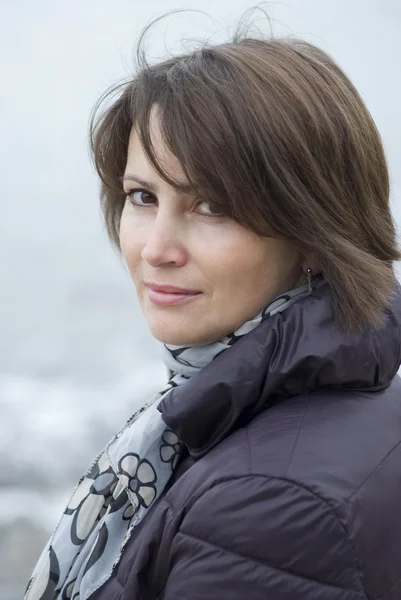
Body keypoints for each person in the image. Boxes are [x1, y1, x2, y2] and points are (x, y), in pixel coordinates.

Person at [25, 17, 401, 600]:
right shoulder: (369, 389)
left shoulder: (264, 509)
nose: (156, 250)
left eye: (211, 207)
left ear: (313, 232)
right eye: (142, 197)